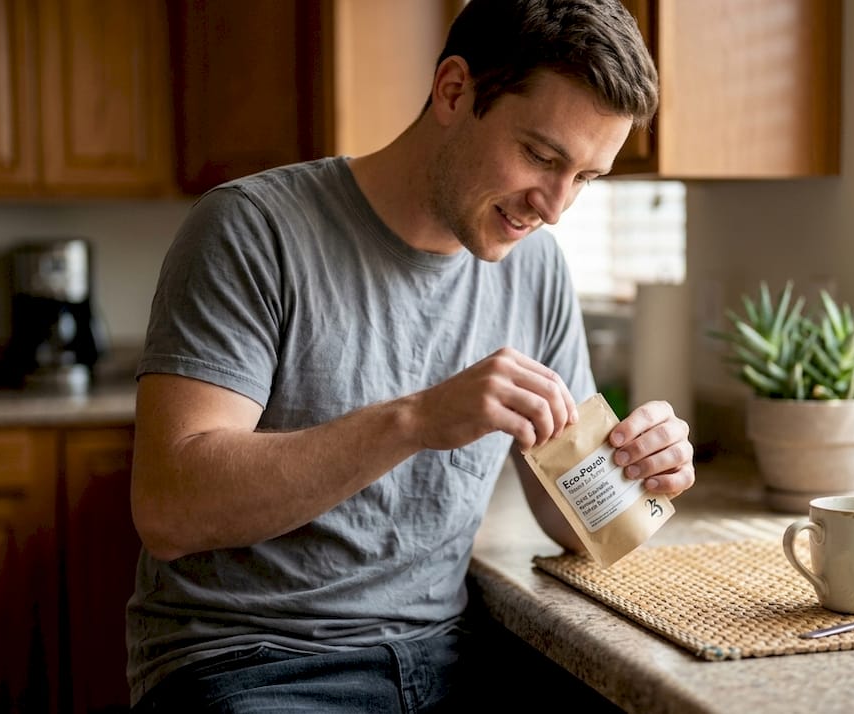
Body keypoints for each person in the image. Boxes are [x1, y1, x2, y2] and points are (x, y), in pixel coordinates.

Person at [126, 0, 695, 710]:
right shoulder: (252, 230)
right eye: (542, 158)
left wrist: (639, 472)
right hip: (255, 662)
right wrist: (418, 419)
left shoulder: (536, 268)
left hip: (446, 662)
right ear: (453, 91)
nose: (553, 206)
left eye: (585, 178)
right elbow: (170, 508)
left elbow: (568, 516)